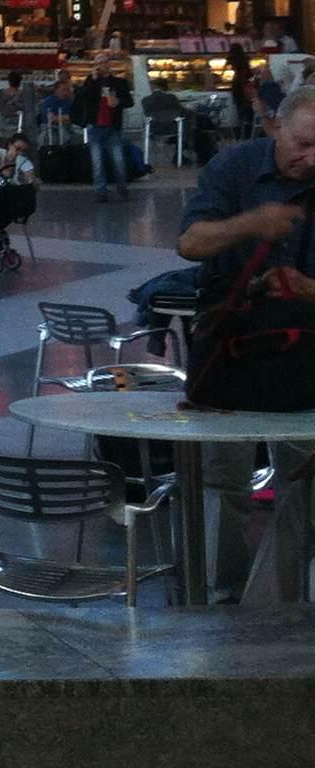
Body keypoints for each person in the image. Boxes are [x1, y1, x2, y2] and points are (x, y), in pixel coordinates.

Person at [176, 90, 315, 598]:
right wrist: (250, 225)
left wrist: (306, 288)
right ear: (276, 127)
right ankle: (221, 594)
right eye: (303, 144)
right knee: (223, 478)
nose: (311, 159)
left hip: (304, 351)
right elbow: (190, 243)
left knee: (303, 479)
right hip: (230, 350)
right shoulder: (234, 167)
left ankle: (287, 598)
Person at [73, 55, 137, 202]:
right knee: (97, 161)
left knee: (118, 159)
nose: (101, 65)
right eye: (97, 63)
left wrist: (118, 101)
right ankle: (100, 191)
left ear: (109, 64)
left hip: (112, 126)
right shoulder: (91, 81)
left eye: (103, 62)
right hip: (95, 126)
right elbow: (83, 96)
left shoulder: (119, 83)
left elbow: (129, 101)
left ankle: (122, 187)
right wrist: (93, 79)